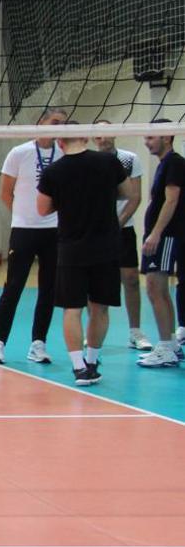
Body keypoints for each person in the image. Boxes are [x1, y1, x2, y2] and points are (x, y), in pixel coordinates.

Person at [36, 131, 135, 385]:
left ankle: (78, 367)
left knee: (72, 309)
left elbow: (42, 209)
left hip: (72, 249)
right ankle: (92, 361)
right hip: (106, 246)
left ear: (60, 142)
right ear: (87, 138)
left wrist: (66, 200)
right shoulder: (108, 162)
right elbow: (127, 192)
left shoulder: (53, 171)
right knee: (100, 307)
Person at [0, 111, 67, 365]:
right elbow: (5, 192)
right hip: (23, 229)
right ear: (41, 123)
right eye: (56, 122)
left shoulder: (64, 154)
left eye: (63, 124)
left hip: (53, 231)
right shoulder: (19, 152)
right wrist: (24, 216)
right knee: (13, 287)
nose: (60, 127)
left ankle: (38, 344)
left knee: (48, 289)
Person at [94, 126, 150, 351]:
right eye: (98, 135)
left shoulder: (129, 159)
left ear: (115, 133)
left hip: (122, 229)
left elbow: (135, 197)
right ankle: (94, 332)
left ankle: (135, 332)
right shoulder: (90, 161)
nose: (103, 138)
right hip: (97, 231)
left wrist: (118, 223)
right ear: (94, 138)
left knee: (131, 279)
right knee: (96, 282)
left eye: (107, 133)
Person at [136, 128, 184, 367]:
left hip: (165, 236)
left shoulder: (174, 162)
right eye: (145, 137)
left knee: (155, 288)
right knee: (159, 290)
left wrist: (156, 233)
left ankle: (165, 347)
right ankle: (170, 345)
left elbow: (172, 199)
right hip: (162, 236)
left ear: (167, 137)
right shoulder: (165, 163)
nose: (146, 142)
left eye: (151, 137)